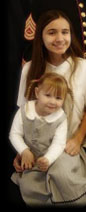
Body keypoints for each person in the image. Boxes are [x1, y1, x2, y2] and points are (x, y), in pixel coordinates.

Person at [12, 9, 86, 206]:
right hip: (38, 145)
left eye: (65, 32)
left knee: (63, 177)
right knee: (33, 187)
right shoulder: (30, 69)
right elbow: (25, 113)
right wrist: (22, 150)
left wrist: (77, 139)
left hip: (71, 143)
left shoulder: (85, 68)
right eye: (52, 32)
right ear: (41, 36)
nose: (59, 38)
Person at [9, 72, 70, 205]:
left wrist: (48, 159)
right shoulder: (25, 110)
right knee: (29, 184)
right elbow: (14, 134)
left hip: (54, 156)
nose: (53, 101)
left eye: (59, 98)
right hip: (30, 157)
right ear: (37, 93)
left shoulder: (60, 118)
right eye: (47, 95)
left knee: (61, 176)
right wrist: (24, 151)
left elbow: (59, 144)